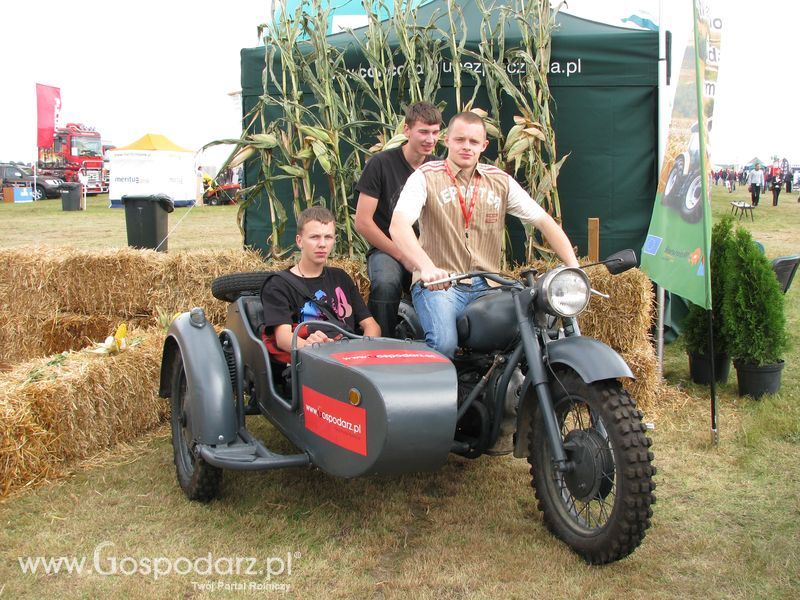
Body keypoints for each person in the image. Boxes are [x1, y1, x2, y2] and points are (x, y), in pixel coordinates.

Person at [389, 111, 579, 359]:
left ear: (483, 146)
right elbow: (398, 226)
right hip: (441, 286)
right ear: (447, 140)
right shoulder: (425, 177)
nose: (466, 147)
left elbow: (543, 221)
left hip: (490, 286)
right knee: (445, 345)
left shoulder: (499, 181)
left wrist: (574, 268)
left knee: (534, 335)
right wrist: (426, 267)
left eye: (473, 142)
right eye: (460, 140)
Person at [354, 102, 442, 338]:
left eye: (435, 132)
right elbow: (362, 222)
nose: (430, 139)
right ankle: (380, 347)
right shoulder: (380, 164)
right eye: (423, 131)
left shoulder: (440, 168)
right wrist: (402, 255)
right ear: (407, 129)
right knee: (385, 282)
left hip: (427, 250)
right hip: (388, 249)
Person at [261, 206, 380, 356]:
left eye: (328, 237)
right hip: (311, 362)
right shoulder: (279, 284)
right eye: (314, 237)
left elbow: (371, 326)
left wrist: (362, 353)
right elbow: (283, 338)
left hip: (350, 358)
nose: (322, 244)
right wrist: (315, 349)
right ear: (299, 241)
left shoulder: (341, 277)